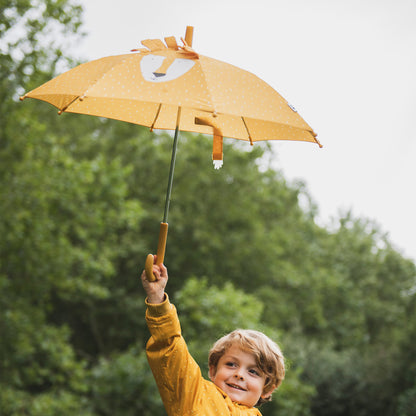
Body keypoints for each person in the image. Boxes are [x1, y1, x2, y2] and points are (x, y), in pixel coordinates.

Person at [141, 256, 285, 416]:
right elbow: (170, 350)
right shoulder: (194, 395)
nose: (239, 374)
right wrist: (157, 298)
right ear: (213, 370)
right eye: (231, 364)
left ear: (266, 388)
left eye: (253, 372)